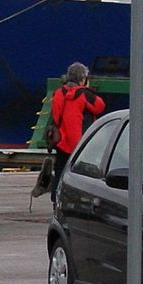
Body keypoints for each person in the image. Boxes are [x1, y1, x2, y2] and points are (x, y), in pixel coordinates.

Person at [48, 62, 106, 190]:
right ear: (82, 79)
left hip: (60, 141)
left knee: (60, 172)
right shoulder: (84, 94)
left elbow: (56, 115)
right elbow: (100, 106)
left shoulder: (58, 93)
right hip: (80, 143)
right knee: (80, 176)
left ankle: (55, 198)